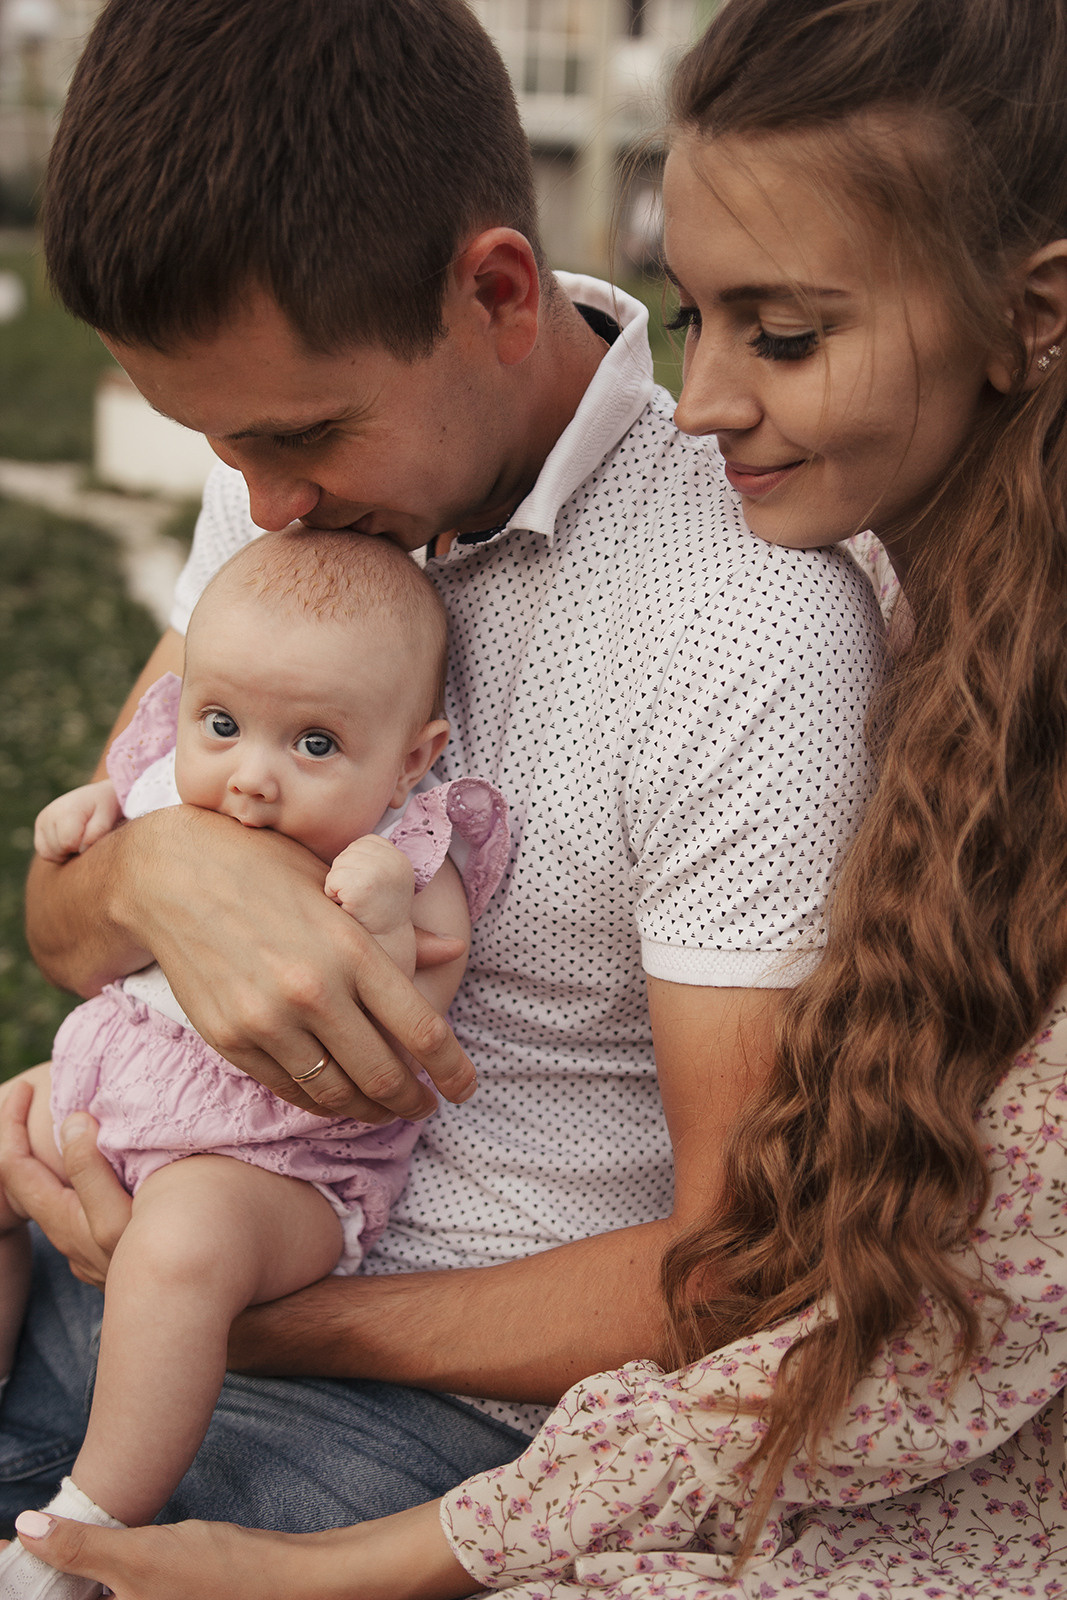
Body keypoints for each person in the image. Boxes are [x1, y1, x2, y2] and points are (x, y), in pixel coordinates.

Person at [6, 0, 1067, 1594]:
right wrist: (160, 874)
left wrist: (218, 1294)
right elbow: (68, 923)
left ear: (498, 292)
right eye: (220, 446)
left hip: (415, 1395)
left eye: (293, 436)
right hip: (111, 1249)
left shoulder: (742, 608)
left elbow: (733, 1262)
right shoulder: (295, 492)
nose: (260, 501)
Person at [0, 527, 510, 1599]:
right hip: (116, 1091)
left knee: (179, 1252)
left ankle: (92, 1524)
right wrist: (94, 819)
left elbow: (397, 1044)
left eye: (315, 745)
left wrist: (376, 919)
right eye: (221, 726)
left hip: (276, 1163)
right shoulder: (167, 782)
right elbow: (89, 872)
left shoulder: (408, 857)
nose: (250, 779)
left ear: (411, 758)